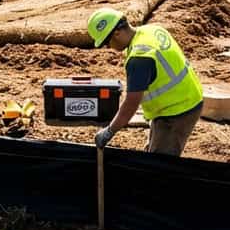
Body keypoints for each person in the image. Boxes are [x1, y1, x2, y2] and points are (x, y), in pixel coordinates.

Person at [86, 8, 204, 156]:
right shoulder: (150, 30)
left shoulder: (140, 58)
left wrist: (109, 131)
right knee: (153, 152)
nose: (109, 47)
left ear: (116, 33)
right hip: (186, 97)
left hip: (177, 112)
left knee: (159, 164)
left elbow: (131, 103)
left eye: (107, 43)